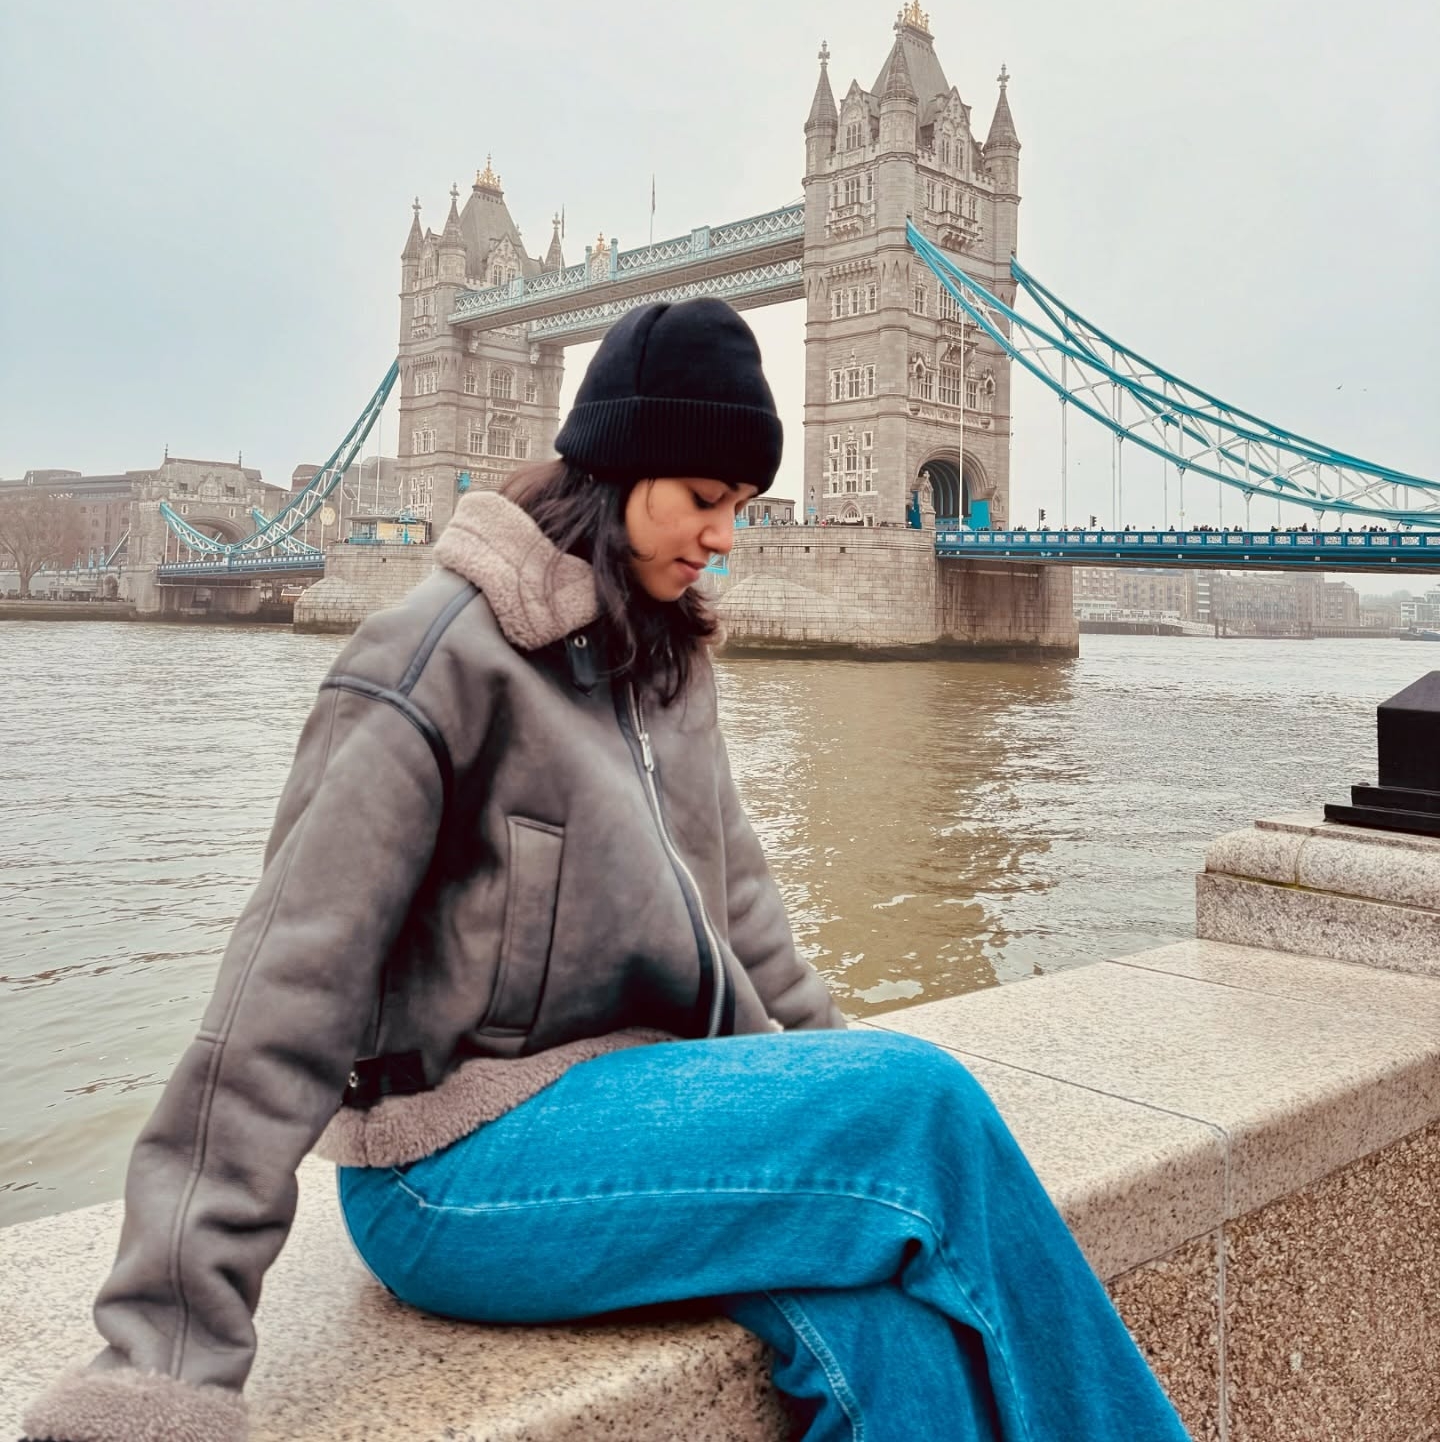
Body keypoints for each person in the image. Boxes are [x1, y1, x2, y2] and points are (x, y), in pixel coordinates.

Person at [22, 300, 1188, 1442]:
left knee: (892, 1329)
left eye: (742, 507)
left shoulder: (669, 666)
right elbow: (281, 998)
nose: (726, 536)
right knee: (922, 1106)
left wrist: (820, 1087)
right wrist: (163, 1359)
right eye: (705, 498)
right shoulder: (432, 661)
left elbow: (748, 925)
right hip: (450, 1166)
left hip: (646, 1118)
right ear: (618, 471)